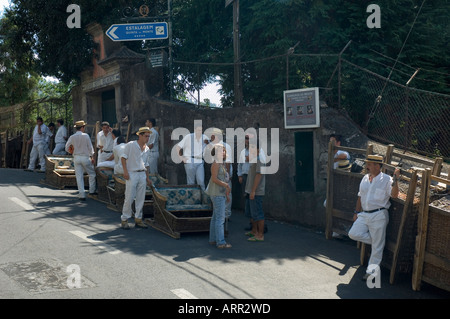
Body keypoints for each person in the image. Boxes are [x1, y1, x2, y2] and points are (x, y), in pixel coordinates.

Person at [348, 154, 400, 280]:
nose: (367, 167)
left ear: (377, 166)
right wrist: (356, 212)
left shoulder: (387, 179)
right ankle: (379, 242)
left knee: (377, 247)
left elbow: (394, 195)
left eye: (369, 164)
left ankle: (371, 272)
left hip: (379, 214)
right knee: (353, 234)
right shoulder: (365, 178)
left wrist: (396, 180)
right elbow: (360, 196)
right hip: (364, 214)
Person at [120, 127, 153, 230]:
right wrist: (125, 171)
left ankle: (138, 218)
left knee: (140, 197)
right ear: (140, 135)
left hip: (142, 173)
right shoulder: (131, 145)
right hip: (132, 173)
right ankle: (124, 219)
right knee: (129, 197)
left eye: (148, 136)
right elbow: (123, 158)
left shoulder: (147, 148)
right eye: (146, 136)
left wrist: (147, 178)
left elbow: (146, 165)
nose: (147, 138)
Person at [205, 143, 231, 249]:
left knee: (216, 217)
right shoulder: (216, 164)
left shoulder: (221, 163)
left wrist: (226, 193)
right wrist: (226, 185)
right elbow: (214, 179)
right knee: (220, 219)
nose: (223, 152)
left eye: (224, 151)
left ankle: (213, 239)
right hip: (217, 194)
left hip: (219, 193)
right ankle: (220, 242)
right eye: (221, 151)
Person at [65, 121, 97, 201]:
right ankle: (92, 191)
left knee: (79, 176)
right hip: (85, 157)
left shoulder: (72, 137)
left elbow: (66, 147)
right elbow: (90, 148)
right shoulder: (86, 136)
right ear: (82, 127)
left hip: (76, 157)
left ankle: (82, 194)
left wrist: (71, 151)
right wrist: (92, 157)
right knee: (92, 174)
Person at [176, 123, 209, 190]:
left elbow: (212, 148)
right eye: (198, 130)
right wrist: (181, 158)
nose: (200, 132)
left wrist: (208, 143)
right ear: (195, 130)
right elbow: (178, 147)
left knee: (201, 182)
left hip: (200, 161)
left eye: (201, 130)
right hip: (189, 160)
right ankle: (191, 199)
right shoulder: (188, 137)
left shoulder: (205, 137)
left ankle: (203, 199)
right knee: (190, 183)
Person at [245, 138, 266, 242]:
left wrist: (253, 190)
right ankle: (254, 231)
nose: (250, 150)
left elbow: (259, 175)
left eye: (253, 148)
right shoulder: (255, 158)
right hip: (251, 190)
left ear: (258, 149)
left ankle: (260, 235)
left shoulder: (259, 159)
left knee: (258, 213)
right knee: (253, 213)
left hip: (256, 191)